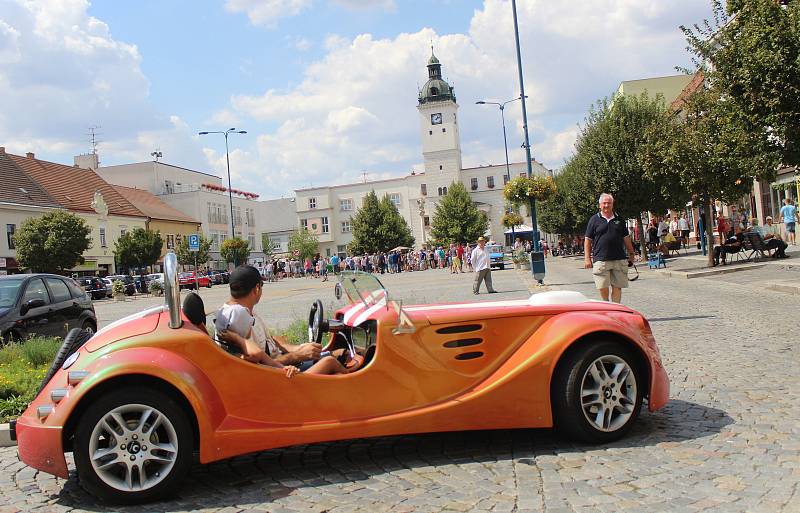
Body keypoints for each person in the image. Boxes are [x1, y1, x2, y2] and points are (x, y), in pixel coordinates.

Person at [214, 265, 350, 375]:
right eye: (261, 285)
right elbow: (256, 362)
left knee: (342, 354)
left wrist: (295, 348)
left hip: (281, 366)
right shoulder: (239, 314)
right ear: (256, 289)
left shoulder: (235, 309)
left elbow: (268, 339)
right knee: (331, 362)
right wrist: (296, 356)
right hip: (277, 376)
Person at [583, 193, 636, 303]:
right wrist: (587, 258)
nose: (606, 205)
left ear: (613, 204)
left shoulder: (620, 219)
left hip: (619, 258)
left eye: (609, 203)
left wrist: (631, 254)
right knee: (602, 286)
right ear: (600, 205)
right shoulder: (594, 220)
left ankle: (615, 308)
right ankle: (606, 303)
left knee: (617, 286)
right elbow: (587, 240)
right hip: (601, 259)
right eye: (604, 203)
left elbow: (626, 238)